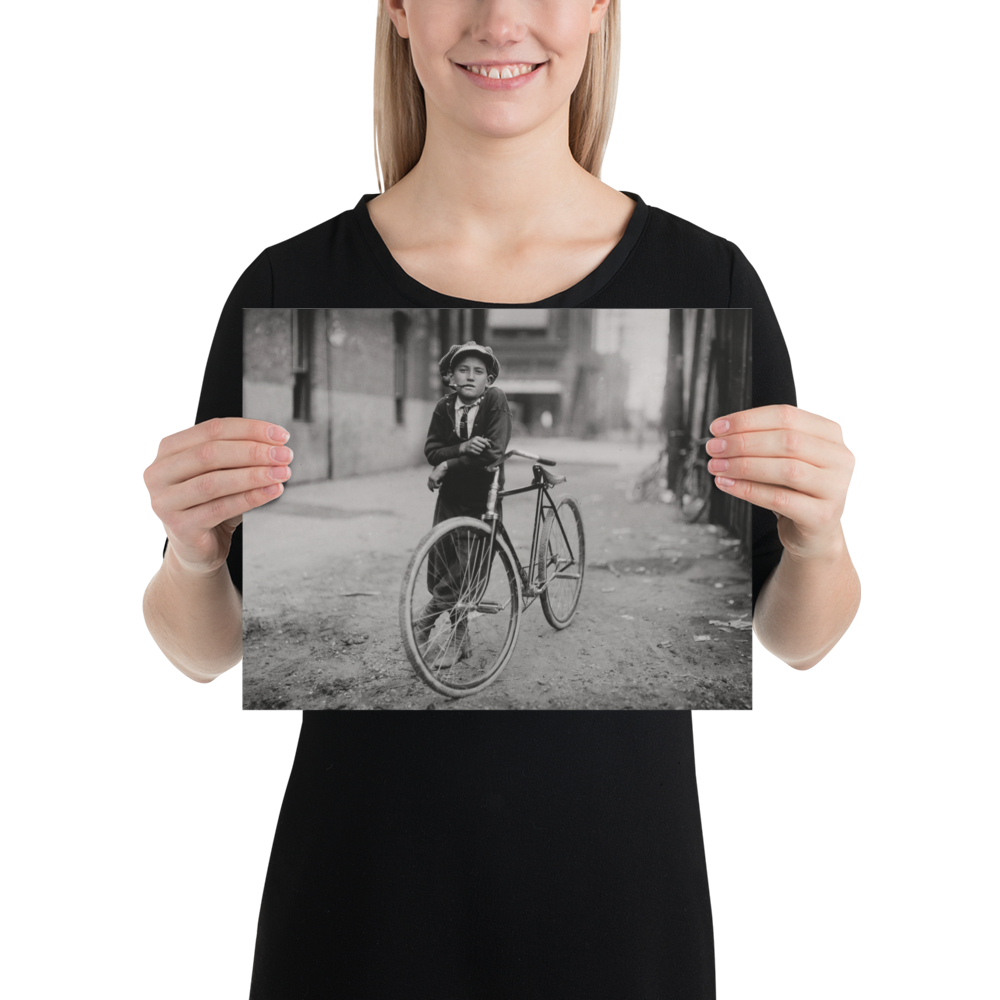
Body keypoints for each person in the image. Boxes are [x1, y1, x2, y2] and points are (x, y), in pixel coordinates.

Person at [141, 1, 858, 994]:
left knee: (491, 551)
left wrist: (820, 540)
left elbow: (799, 640)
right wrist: (189, 552)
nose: (500, 17)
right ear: (396, 9)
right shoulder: (286, 279)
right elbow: (204, 650)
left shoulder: (710, 275)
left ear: (603, 9)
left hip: (616, 920)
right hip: (357, 917)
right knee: (452, 562)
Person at [415, 342, 513, 666]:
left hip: (483, 496)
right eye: (463, 370)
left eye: (479, 371)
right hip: (450, 498)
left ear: (489, 378)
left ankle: (427, 621)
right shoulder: (445, 407)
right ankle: (462, 641)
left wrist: (449, 463)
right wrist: (463, 448)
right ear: (451, 376)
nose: (470, 377)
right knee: (442, 563)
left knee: (467, 568)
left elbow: (494, 452)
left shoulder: (495, 400)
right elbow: (431, 450)